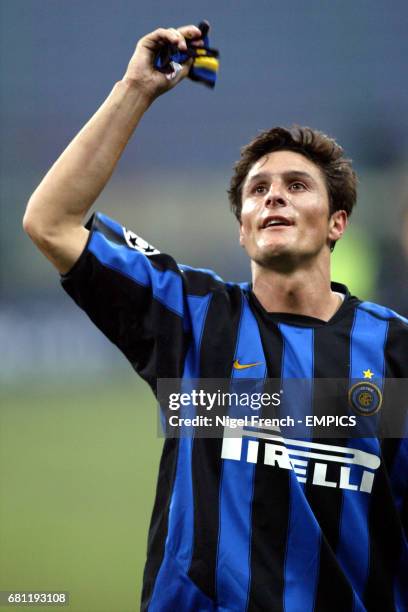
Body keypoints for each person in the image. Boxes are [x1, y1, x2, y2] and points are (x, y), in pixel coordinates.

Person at [23, 23, 407, 612]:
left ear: (338, 222)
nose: (272, 197)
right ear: (243, 228)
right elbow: (51, 222)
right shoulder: (194, 319)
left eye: (296, 185)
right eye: (258, 191)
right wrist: (135, 89)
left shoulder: (395, 351)